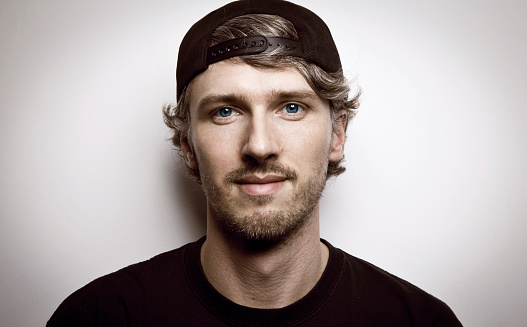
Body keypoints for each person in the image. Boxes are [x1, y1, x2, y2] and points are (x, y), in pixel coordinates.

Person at [47, 0, 462, 326]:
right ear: (187, 144)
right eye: (225, 112)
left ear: (337, 134)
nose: (259, 146)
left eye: (292, 107)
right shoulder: (100, 317)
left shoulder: (419, 321)